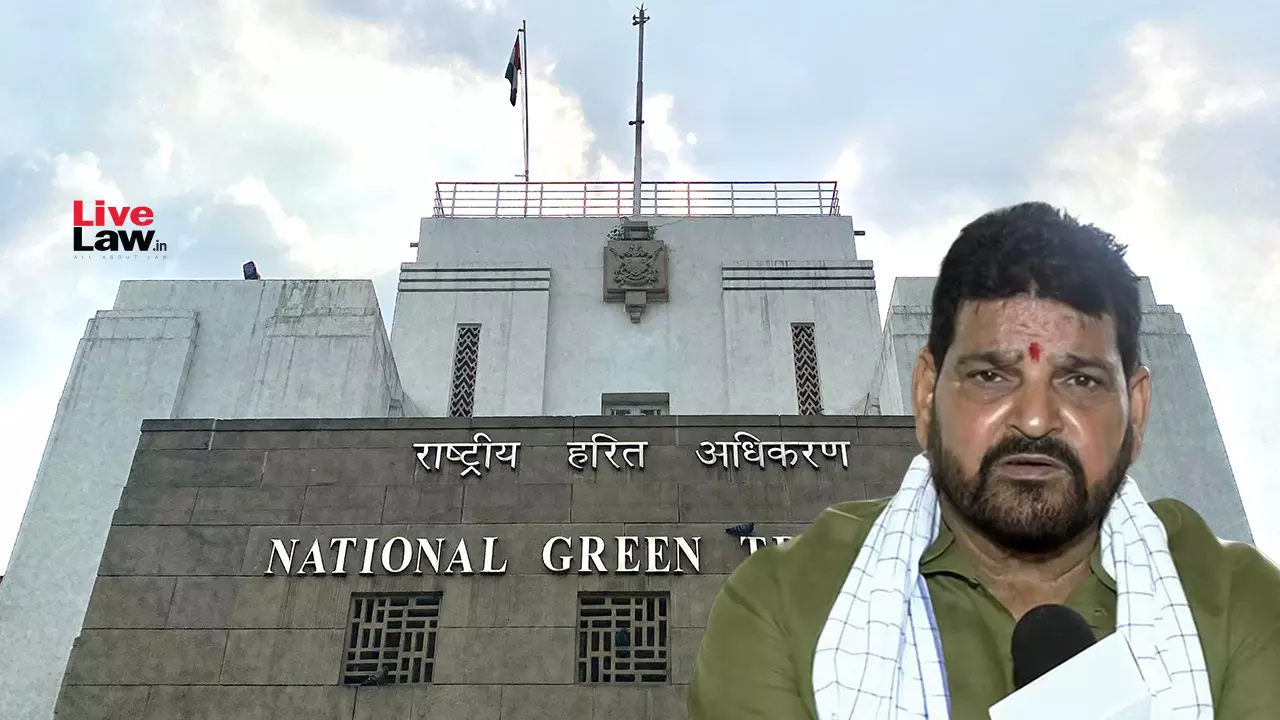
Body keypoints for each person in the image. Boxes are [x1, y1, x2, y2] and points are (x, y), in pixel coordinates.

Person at [687, 201, 1280, 719]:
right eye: (992, 376)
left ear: (1137, 409)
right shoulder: (786, 605)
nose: (1035, 419)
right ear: (927, 395)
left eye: (1079, 380)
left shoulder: (1238, 604)